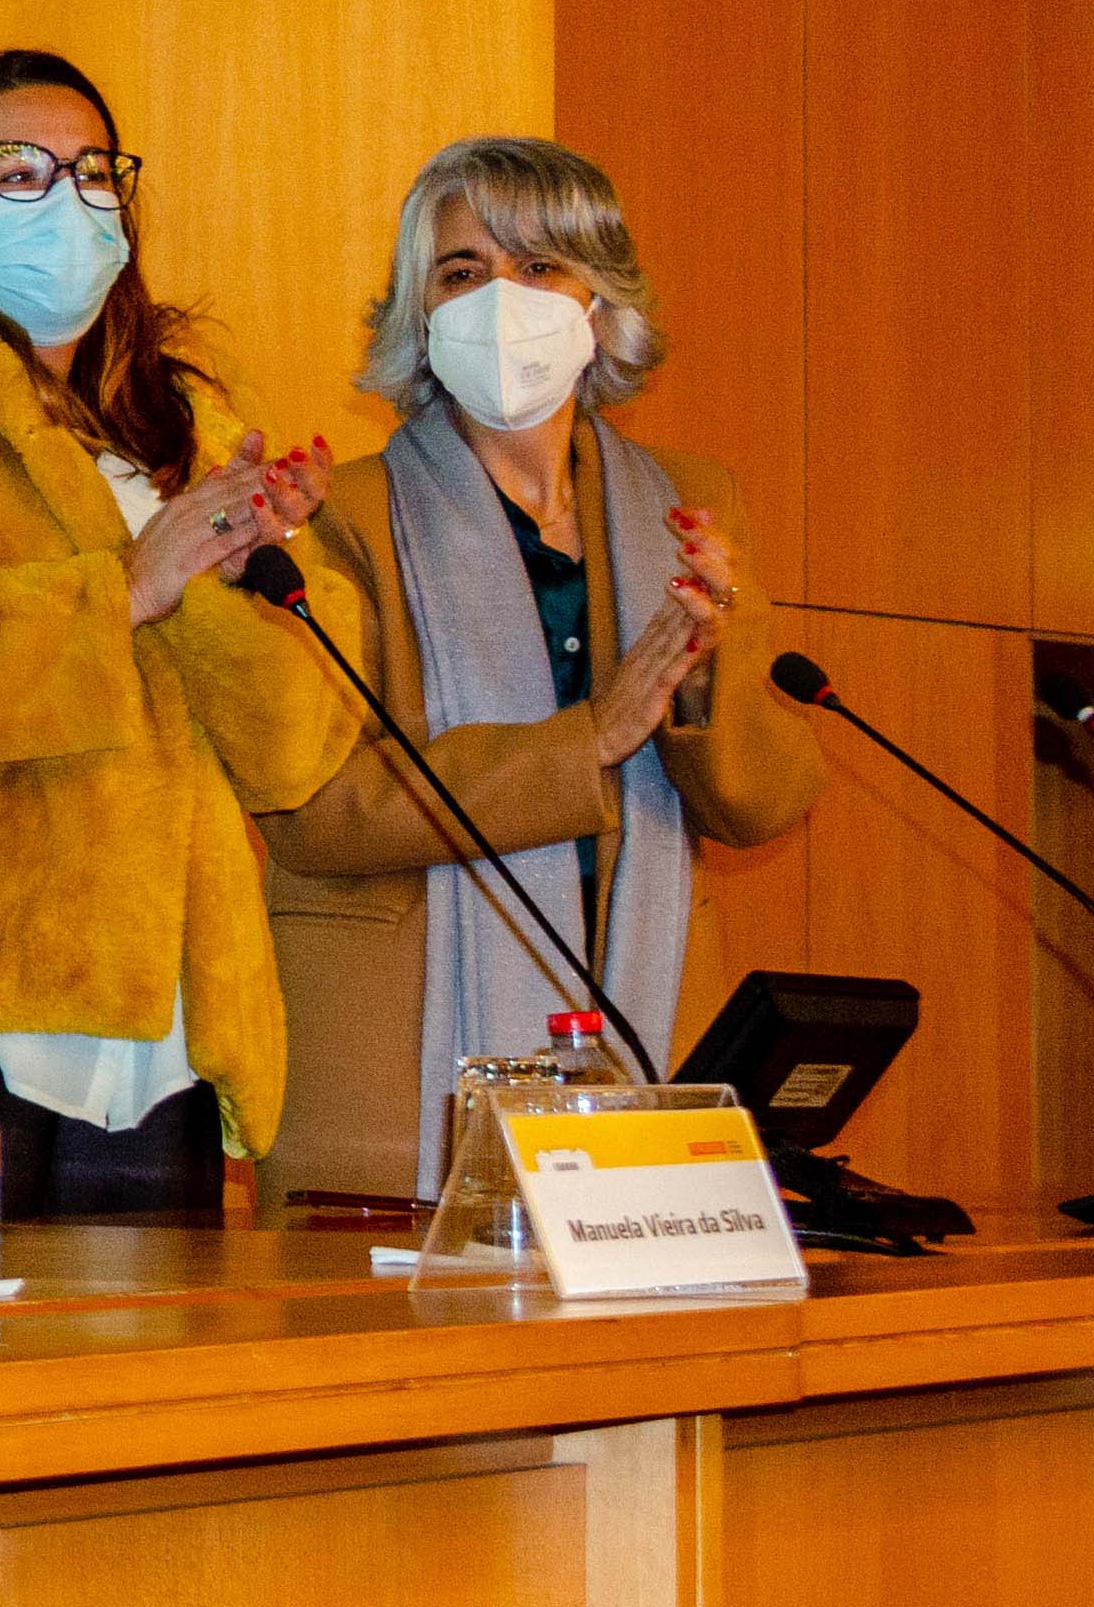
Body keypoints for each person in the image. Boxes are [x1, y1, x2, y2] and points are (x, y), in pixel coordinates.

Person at [0, 53, 365, 1215]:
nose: (68, 201)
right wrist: (125, 589)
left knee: (155, 1332)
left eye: (94, 173)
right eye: (18, 172)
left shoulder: (189, 428)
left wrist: (230, 570)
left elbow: (289, 757)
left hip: (164, 1015)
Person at [259, 137, 821, 1205]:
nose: (500, 302)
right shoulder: (339, 517)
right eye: (461, 272)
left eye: (538, 266)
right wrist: (587, 740)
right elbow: (311, 810)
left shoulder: (686, 506)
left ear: (598, 302)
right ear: (421, 313)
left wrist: (706, 675)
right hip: (399, 1066)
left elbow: (764, 804)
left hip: (641, 1024)